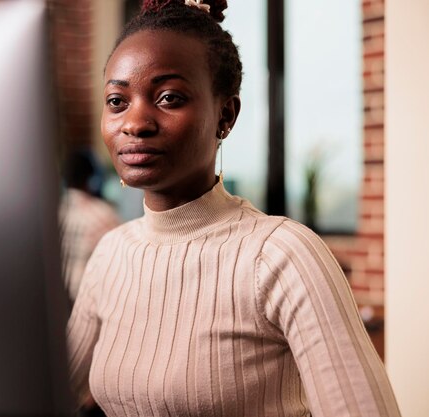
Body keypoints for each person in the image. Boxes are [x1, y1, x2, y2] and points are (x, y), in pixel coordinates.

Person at [66, 1, 401, 416]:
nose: (135, 123)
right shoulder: (110, 254)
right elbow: (49, 394)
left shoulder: (281, 256)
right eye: (117, 101)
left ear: (226, 115)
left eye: (169, 97)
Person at [60, 150, 120, 305]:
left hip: (60, 297)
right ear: (93, 179)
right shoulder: (102, 215)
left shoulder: (56, 211)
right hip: (86, 299)